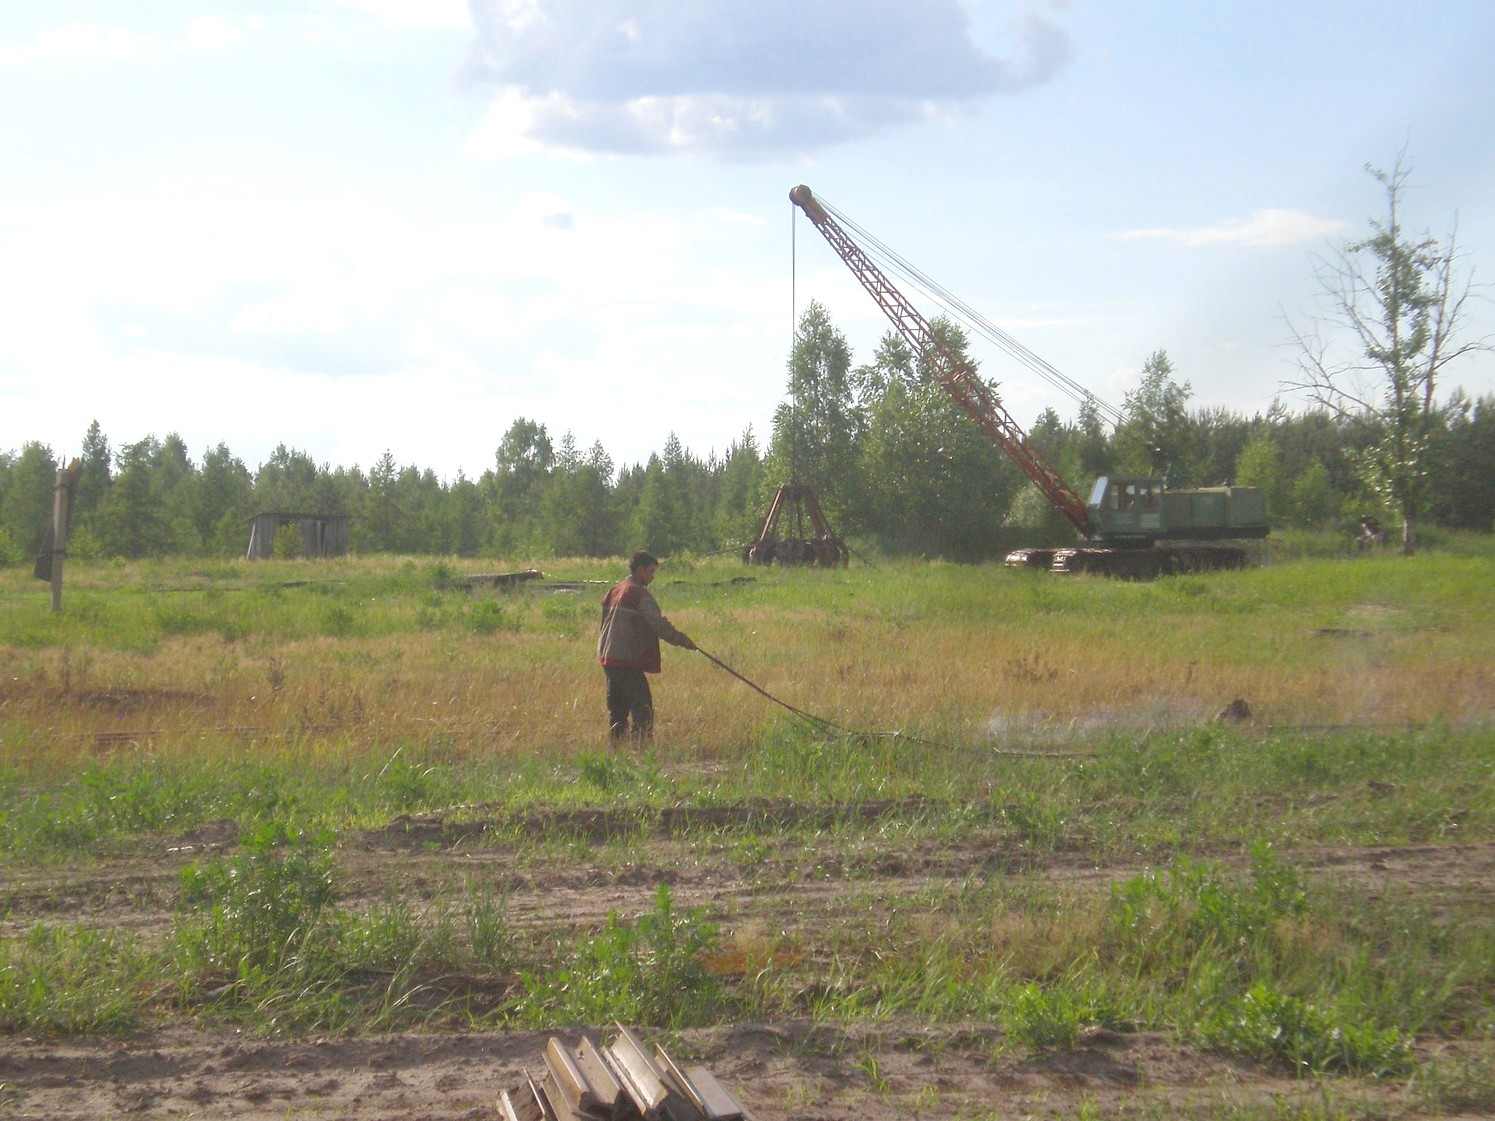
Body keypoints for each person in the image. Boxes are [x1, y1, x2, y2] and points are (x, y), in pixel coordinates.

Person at [597, 549, 696, 742]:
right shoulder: (638, 594)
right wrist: (682, 639)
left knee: (617, 710)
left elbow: (603, 625)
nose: (652, 577)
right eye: (651, 572)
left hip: (608, 657)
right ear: (640, 570)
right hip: (626, 659)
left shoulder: (613, 591)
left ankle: (616, 750)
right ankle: (640, 751)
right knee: (643, 708)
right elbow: (658, 625)